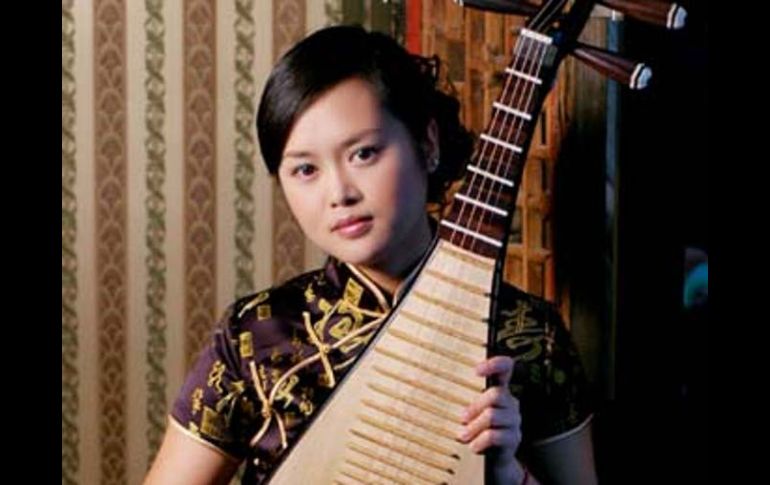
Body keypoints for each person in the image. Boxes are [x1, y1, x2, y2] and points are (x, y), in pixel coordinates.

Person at [145, 25, 597, 485]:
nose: (339, 193)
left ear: (428, 143)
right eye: (305, 169)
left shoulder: (529, 336)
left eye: (364, 153)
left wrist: (507, 473)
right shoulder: (255, 335)